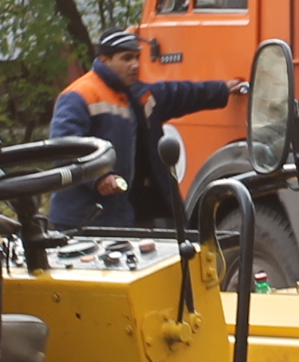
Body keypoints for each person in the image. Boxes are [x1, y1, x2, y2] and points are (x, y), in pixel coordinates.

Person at [47, 29, 239, 230]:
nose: (135, 65)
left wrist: (222, 89)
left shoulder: (140, 95)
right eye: (126, 58)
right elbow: (64, 148)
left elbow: (181, 93)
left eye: (137, 57)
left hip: (122, 217)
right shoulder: (79, 95)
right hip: (82, 220)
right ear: (104, 60)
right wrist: (100, 177)